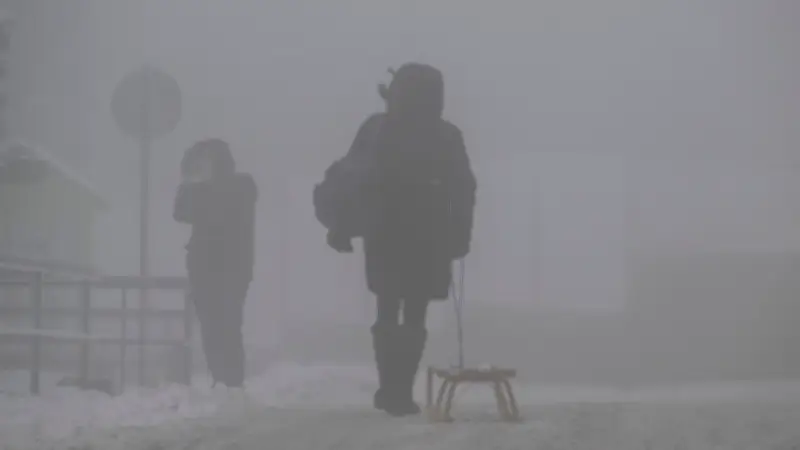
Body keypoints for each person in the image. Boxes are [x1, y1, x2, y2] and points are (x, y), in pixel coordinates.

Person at [316, 63, 477, 416]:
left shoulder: (377, 128)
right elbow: (463, 188)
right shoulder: (446, 135)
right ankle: (401, 389)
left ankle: (390, 388)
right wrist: (460, 235)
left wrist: (341, 225)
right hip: (429, 238)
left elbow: (351, 178)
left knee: (387, 305)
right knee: (415, 310)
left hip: (384, 232)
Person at [174, 139, 258, 388]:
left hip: (232, 268)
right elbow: (179, 212)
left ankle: (230, 382)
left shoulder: (241, 186)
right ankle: (222, 380)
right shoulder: (207, 190)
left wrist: (194, 183)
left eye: (206, 161)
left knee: (227, 325)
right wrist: (191, 182)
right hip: (205, 268)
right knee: (212, 327)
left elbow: (209, 207)